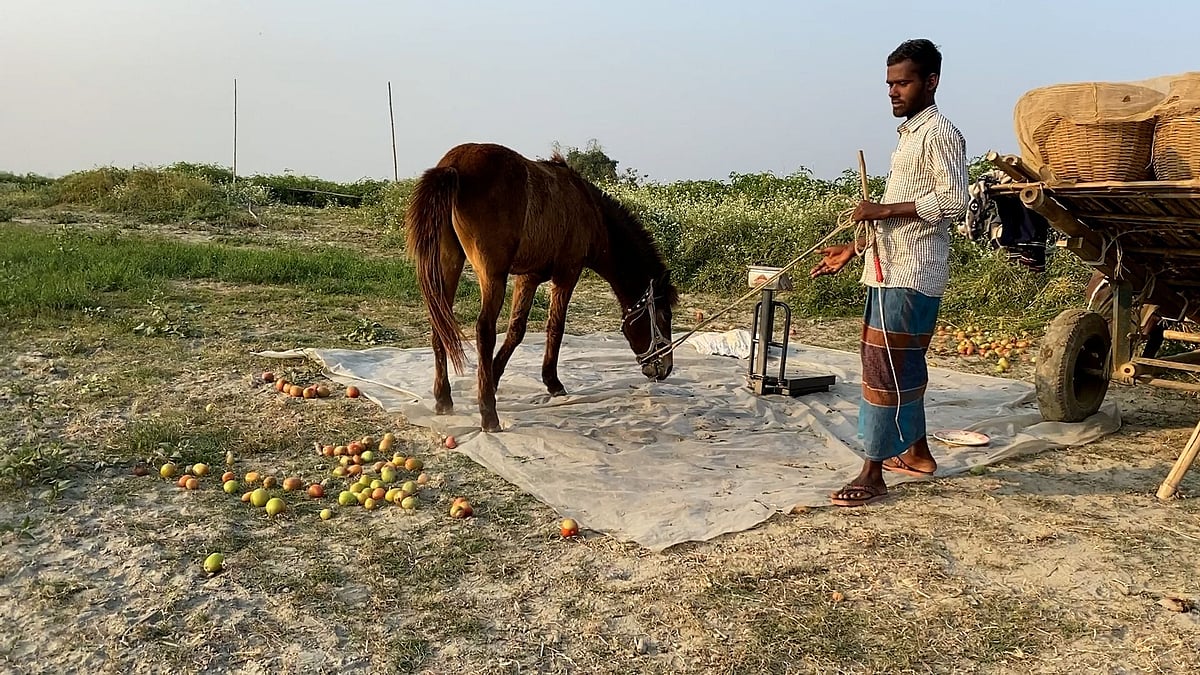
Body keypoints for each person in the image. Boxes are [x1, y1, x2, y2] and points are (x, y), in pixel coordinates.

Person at [809, 39, 969, 507]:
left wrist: (881, 209)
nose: (894, 92)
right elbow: (900, 218)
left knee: (883, 369)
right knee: (902, 365)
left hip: (910, 272)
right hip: (887, 265)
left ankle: (872, 471)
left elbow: (953, 202)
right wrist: (853, 248)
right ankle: (917, 454)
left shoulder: (940, 132)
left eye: (903, 82)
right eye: (890, 84)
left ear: (931, 81)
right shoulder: (911, 135)